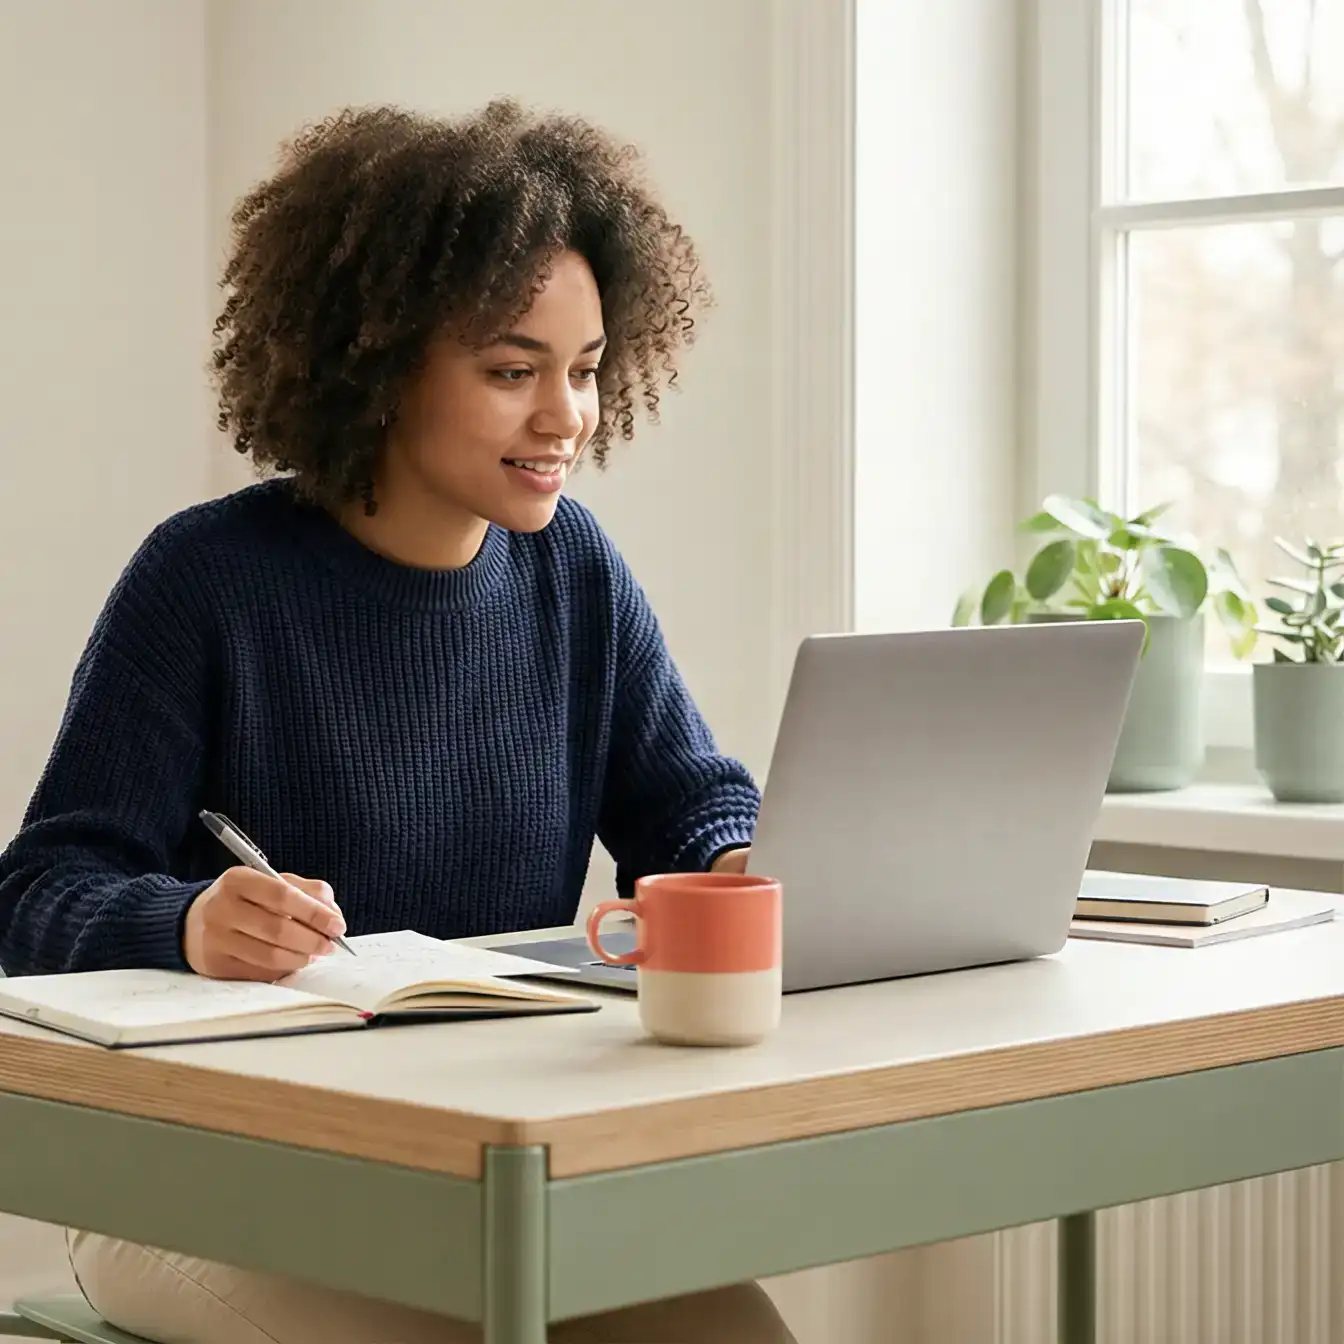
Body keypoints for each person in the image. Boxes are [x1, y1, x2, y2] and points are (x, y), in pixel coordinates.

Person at [0, 100, 794, 1344]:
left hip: (471, 1163)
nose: (565, 418)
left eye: (584, 371)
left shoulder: (572, 570)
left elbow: (685, 800)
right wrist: (190, 920)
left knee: (733, 1330)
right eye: (511, 371)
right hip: (206, 1182)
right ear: (375, 364)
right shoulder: (207, 579)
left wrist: (736, 856)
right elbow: (37, 892)